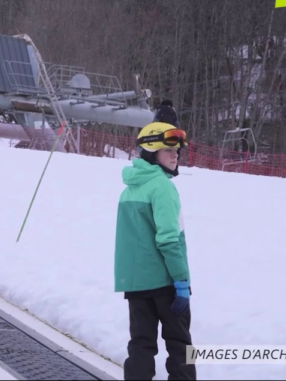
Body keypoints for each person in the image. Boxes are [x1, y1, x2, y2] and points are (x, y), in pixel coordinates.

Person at [114, 121, 195, 381]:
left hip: (136, 284)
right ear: (151, 152)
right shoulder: (162, 187)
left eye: (177, 151)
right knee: (181, 346)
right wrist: (181, 281)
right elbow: (169, 240)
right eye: (168, 150)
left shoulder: (130, 189)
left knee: (140, 344)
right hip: (165, 282)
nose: (175, 155)